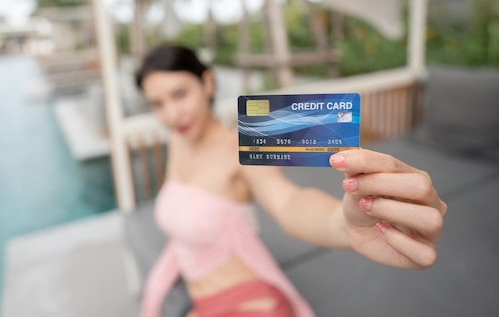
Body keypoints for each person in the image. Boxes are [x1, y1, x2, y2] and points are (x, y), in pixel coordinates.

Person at [135, 45, 447, 317]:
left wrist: (343, 224)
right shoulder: (178, 141)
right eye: (157, 104)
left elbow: (288, 201)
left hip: (250, 305)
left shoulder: (238, 150)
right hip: (202, 304)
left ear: (207, 82)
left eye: (180, 94)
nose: (172, 114)